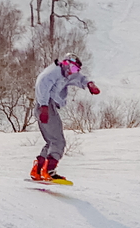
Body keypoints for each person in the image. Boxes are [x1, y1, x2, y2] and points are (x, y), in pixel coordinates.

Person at [30, 54, 99, 183]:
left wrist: (89, 84)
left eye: (75, 70)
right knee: (58, 141)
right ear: (66, 63)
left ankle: (38, 170)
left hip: (48, 106)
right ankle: (49, 171)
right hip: (45, 106)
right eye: (72, 68)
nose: (72, 72)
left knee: (51, 141)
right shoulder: (52, 73)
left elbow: (81, 78)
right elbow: (41, 86)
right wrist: (44, 107)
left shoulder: (67, 73)